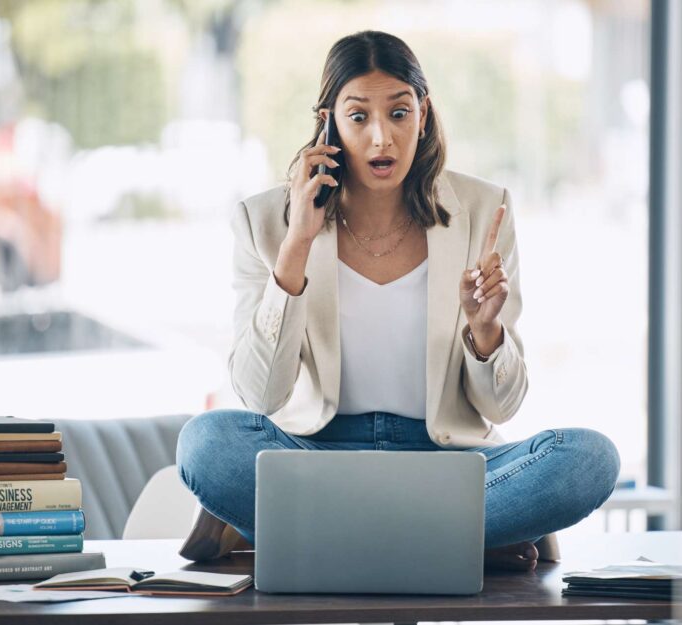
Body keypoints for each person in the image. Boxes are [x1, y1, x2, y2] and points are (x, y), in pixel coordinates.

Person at [176, 30, 620, 572]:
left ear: (424, 113)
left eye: (399, 113)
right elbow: (259, 393)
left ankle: (317, 536)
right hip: (317, 457)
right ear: (328, 120)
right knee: (205, 443)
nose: (381, 138)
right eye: (358, 116)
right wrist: (295, 249)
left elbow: (503, 407)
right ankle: (453, 540)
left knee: (589, 459)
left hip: (447, 463)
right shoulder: (264, 219)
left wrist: (485, 333)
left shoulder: (484, 209)